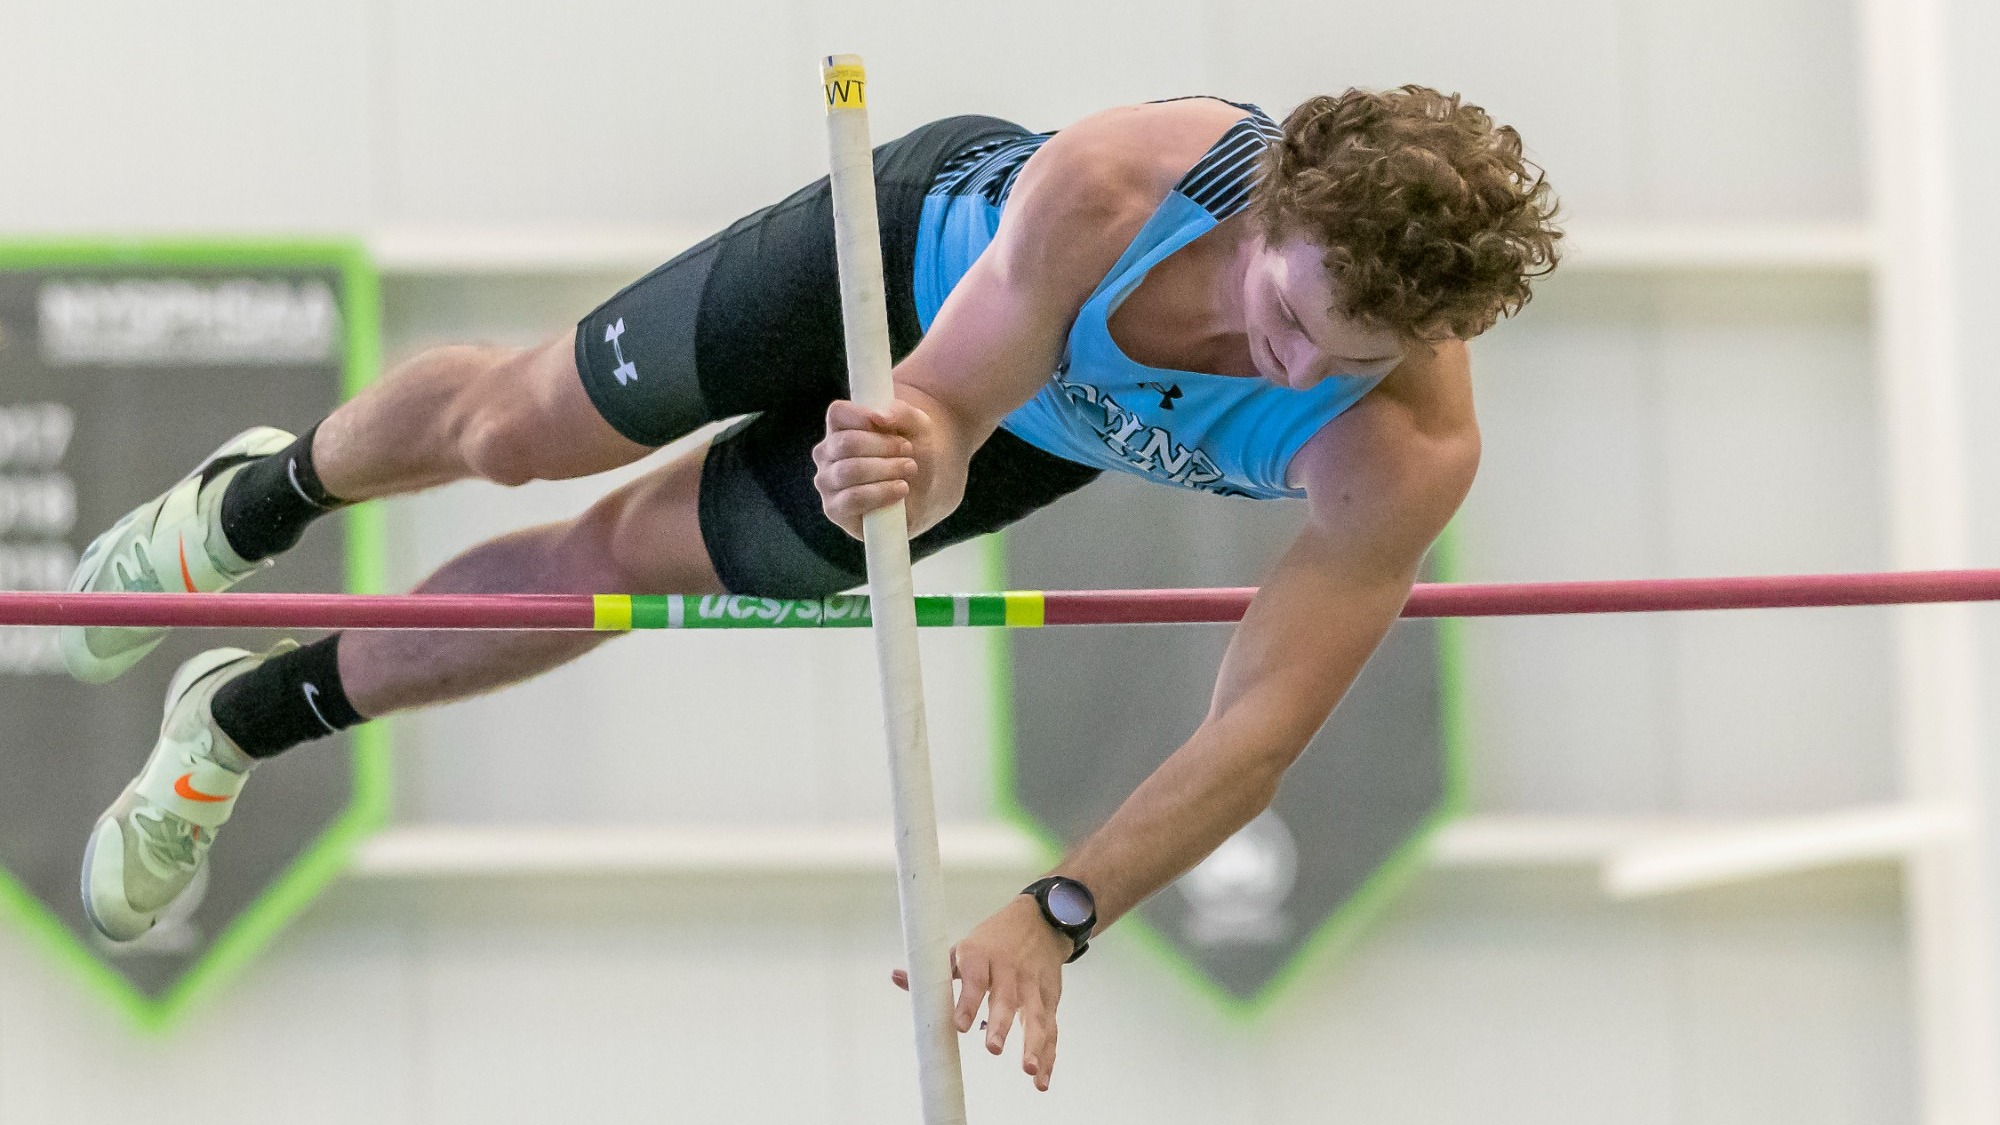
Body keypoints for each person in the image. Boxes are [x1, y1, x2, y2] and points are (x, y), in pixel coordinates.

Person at [64, 87, 1558, 1089]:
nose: (1288, 368)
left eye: (1343, 356)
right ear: (1263, 212)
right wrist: (908, 448)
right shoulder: (1117, 184)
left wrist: (1062, 908)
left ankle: (239, 719)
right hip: (916, 269)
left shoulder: (1406, 449)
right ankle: (251, 502)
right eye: (1285, 310)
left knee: (612, 572)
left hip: (1034, 434)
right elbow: (948, 404)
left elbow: (1261, 726)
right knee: (520, 428)